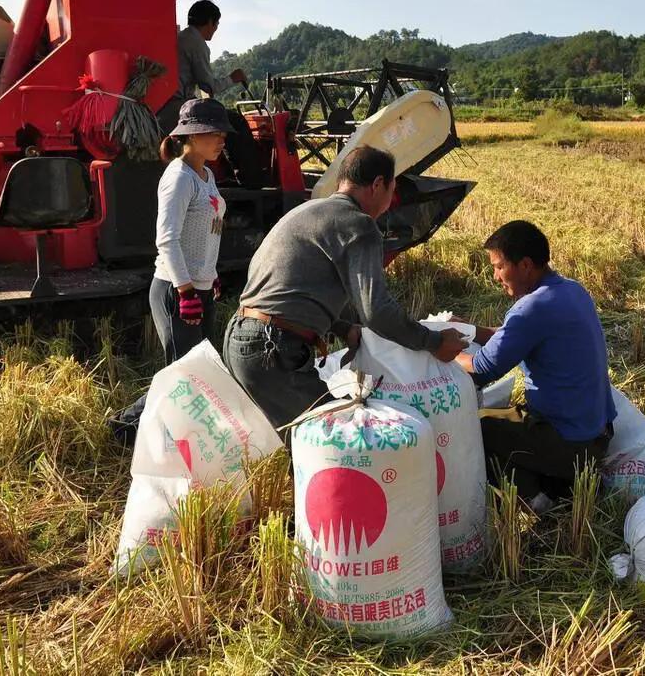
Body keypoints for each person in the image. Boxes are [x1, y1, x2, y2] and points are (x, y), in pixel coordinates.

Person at [225, 145, 469, 429]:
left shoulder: (308, 211)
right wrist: (434, 342)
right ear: (378, 184)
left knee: (301, 440)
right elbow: (377, 312)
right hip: (272, 349)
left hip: (240, 339)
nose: (389, 202)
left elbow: (290, 290)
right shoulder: (359, 225)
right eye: (391, 191)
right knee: (339, 436)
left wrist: (343, 328)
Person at [453, 220, 616, 513]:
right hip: (597, 434)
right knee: (503, 419)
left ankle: (538, 502)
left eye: (499, 267)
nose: (495, 276)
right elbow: (513, 336)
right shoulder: (570, 290)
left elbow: (482, 369)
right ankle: (560, 485)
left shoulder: (532, 308)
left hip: (573, 442)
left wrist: (443, 347)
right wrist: (468, 330)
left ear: (525, 265)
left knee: (477, 428)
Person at [109, 98, 232, 445]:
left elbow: (205, 231)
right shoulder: (178, 178)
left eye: (222, 134)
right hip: (176, 290)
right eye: (213, 133)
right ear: (190, 136)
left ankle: (177, 437)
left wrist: (209, 274)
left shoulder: (206, 175)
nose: (221, 139)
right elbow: (167, 239)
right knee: (182, 375)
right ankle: (125, 428)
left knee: (199, 370)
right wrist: (186, 290)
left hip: (198, 287)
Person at [157, 0, 247, 136]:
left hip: (163, 106)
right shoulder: (197, 43)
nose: (216, 28)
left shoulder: (182, 37)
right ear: (210, 22)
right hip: (176, 107)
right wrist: (232, 79)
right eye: (216, 24)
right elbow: (208, 87)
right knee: (237, 122)